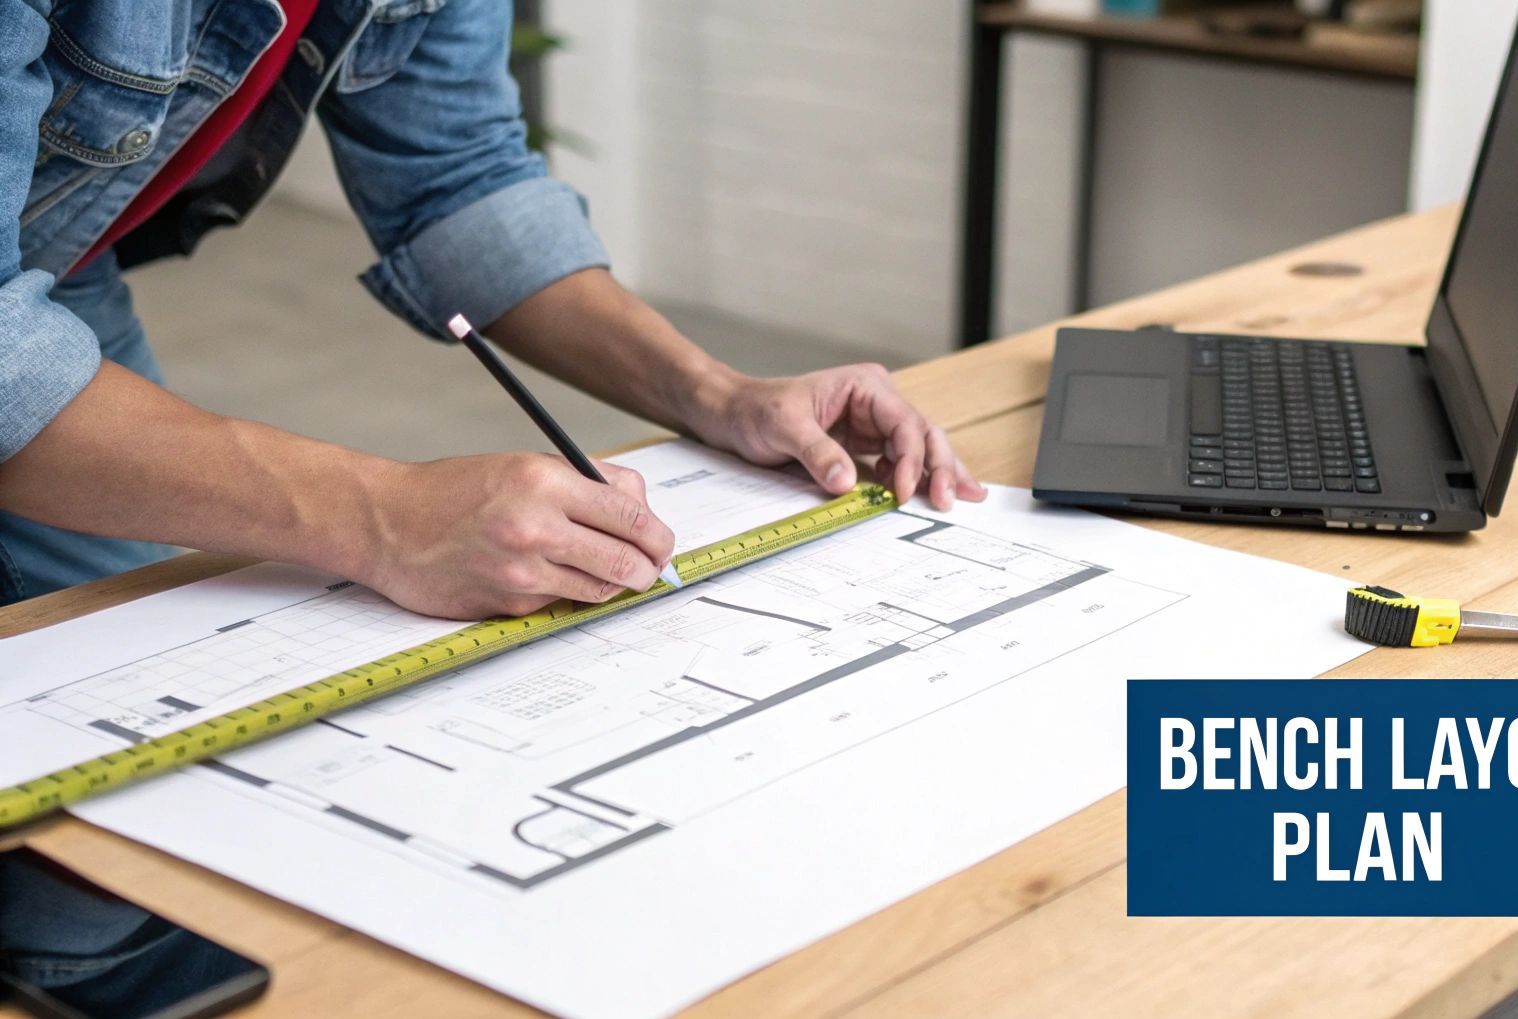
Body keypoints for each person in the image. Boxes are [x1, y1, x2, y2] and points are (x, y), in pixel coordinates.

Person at [0, 0, 984, 619]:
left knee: (106, 643)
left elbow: (456, 180)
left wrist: (714, 393)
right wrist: (380, 514)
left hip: (49, 274)